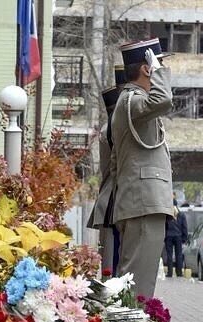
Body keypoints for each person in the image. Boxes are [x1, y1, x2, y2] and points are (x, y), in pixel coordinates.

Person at [110, 38, 174, 298]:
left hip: (143, 201)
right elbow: (164, 98)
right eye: (158, 64)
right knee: (137, 285)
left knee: (138, 281)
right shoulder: (132, 101)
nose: (162, 69)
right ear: (147, 68)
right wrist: (158, 70)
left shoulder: (133, 103)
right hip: (142, 202)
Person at [87, 65, 127, 275]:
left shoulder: (112, 123)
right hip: (116, 199)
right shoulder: (116, 124)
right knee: (114, 272)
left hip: (113, 198)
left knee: (113, 267)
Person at [164, 200, 188, 277]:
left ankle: (170, 272)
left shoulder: (168, 215)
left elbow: (165, 227)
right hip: (178, 236)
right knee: (179, 255)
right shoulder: (181, 215)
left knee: (169, 255)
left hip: (169, 236)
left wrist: (165, 236)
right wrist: (184, 237)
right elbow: (184, 227)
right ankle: (179, 272)